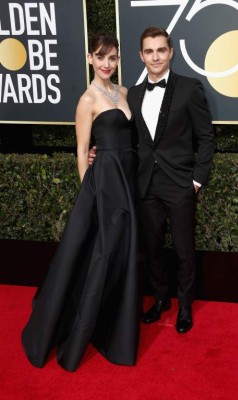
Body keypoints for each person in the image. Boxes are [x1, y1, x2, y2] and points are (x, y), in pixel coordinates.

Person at [21, 33, 139, 372]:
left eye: (112, 58)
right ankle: (89, 323)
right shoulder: (87, 100)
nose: (106, 63)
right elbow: (81, 149)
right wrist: (91, 192)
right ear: (90, 58)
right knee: (103, 251)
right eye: (101, 57)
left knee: (121, 250)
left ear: (118, 60)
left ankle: (114, 315)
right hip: (105, 183)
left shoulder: (124, 93)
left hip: (127, 178)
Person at [90, 26, 214, 334]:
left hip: (181, 183)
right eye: (149, 51)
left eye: (161, 50)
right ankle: (160, 300)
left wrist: (197, 180)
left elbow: (207, 138)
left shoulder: (190, 88)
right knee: (153, 248)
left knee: (185, 249)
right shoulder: (132, 93)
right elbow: (130, 139)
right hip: (145, 184)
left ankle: (185, 306)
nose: (155, 56)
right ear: (140, 55)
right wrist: (98, 151)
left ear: (170, 52)